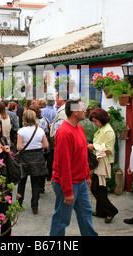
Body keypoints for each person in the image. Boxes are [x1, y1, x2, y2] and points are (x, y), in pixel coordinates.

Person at [50, 99, 98, 236]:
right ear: (75, 112)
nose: (85, 111)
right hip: (67, 183)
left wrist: (87, 175)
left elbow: (83, 155)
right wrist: (68, 190)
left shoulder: (79, 128)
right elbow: (63, 164)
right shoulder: (64, 133)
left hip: (80, 181)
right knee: (61, 219)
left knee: (86, 212)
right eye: (83, 108)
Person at [87, 108, 118, 223]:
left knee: (96, 188)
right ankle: (101, 211)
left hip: (104, 162)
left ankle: (111, 210)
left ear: (101, 119)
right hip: (100, 160)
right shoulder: (102, 129)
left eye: (95, 121)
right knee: (100, 187)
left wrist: (94, 147)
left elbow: (109, 149)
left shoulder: (108, 131)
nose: (95, 124)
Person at [16, 109, 49, 214]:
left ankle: (19, 204)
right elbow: (46, 145)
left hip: (24, 159)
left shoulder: (21, 131)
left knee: (22, 183)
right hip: (37, 158)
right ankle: (35, 206)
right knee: (35, 184)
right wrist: (38, 145)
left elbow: (18, 147)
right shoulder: (39, 130)